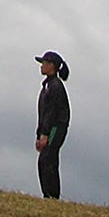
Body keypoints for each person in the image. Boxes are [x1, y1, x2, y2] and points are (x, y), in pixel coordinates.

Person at [34, 49, 71, 199]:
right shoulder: (47, 86)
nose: (41, 66)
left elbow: (52, 113)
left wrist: (45, 134)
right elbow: (43, 114)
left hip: (56, 128)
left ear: (52, 66)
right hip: (48, 129)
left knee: (48, 158)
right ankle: (47, 195)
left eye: (44, 63)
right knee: (44, 159)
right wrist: (39, 134)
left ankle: (52, 195)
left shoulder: (55, 86)